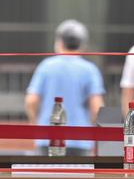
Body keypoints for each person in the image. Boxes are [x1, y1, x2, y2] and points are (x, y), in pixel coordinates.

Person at [25, 19, 105, 156]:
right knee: (79, 177)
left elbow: (31, 101)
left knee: (46, 176)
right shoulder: (90, 70)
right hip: (80, 140)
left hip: (47, 138)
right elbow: (97, 108)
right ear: (82, 44)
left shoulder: (46, 66)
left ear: (59, 42)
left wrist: (36, 125)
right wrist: (89, 129)